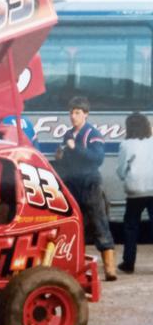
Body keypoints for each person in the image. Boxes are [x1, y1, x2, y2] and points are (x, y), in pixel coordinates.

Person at [55, 96, 117, 281]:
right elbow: (68, 161)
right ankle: (77, 267)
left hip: (90, 183)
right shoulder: (67, 135)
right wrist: (61, 158)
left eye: (77, 113)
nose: (73, 116)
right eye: (71, 113)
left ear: (86, 115)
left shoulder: (93, 134)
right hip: (72, 184)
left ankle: (110, 269)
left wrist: (75, 149)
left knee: (99, 223)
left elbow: (97, 158)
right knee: (74, 225)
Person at [116, 113, 153, 273]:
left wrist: (124, 177)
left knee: (131, 227)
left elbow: (121, 169)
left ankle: (128, 263)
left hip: (135, 190)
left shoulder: (126, 144)